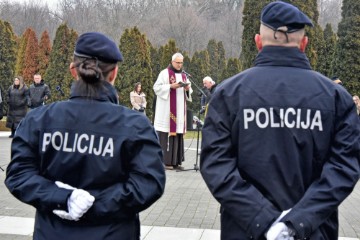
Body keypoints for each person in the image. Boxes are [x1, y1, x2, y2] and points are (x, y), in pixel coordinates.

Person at [200, 2, 360, 240]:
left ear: (258, 42)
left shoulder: (228, 94)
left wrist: (262, 220)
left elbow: (216, 165)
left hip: (245, 232)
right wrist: (297, 222)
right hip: (313, 232)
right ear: (304, 45)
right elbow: (343, 168)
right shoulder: (336, 98)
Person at [5, 32, 166, 240]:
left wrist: (64, 199)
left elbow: (19, 175)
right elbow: (149, 183)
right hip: (113, 233)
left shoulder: (39, 120)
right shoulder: (135, 125)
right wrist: (97, 203)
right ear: (114, 73)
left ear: (73, 71)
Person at [153, 52, 193, 170]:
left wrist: (187, 89)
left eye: (181, 62)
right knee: (167, 136)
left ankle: (176, 161)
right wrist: (170, 86)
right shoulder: (164, 73)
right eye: (178, 62)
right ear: (172, 62)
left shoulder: (184, 76)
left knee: (178, 135)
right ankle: (166, 162)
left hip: (179, 112)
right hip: (167, 111)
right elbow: (156, 88)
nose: (180, 65)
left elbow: (189, 94)